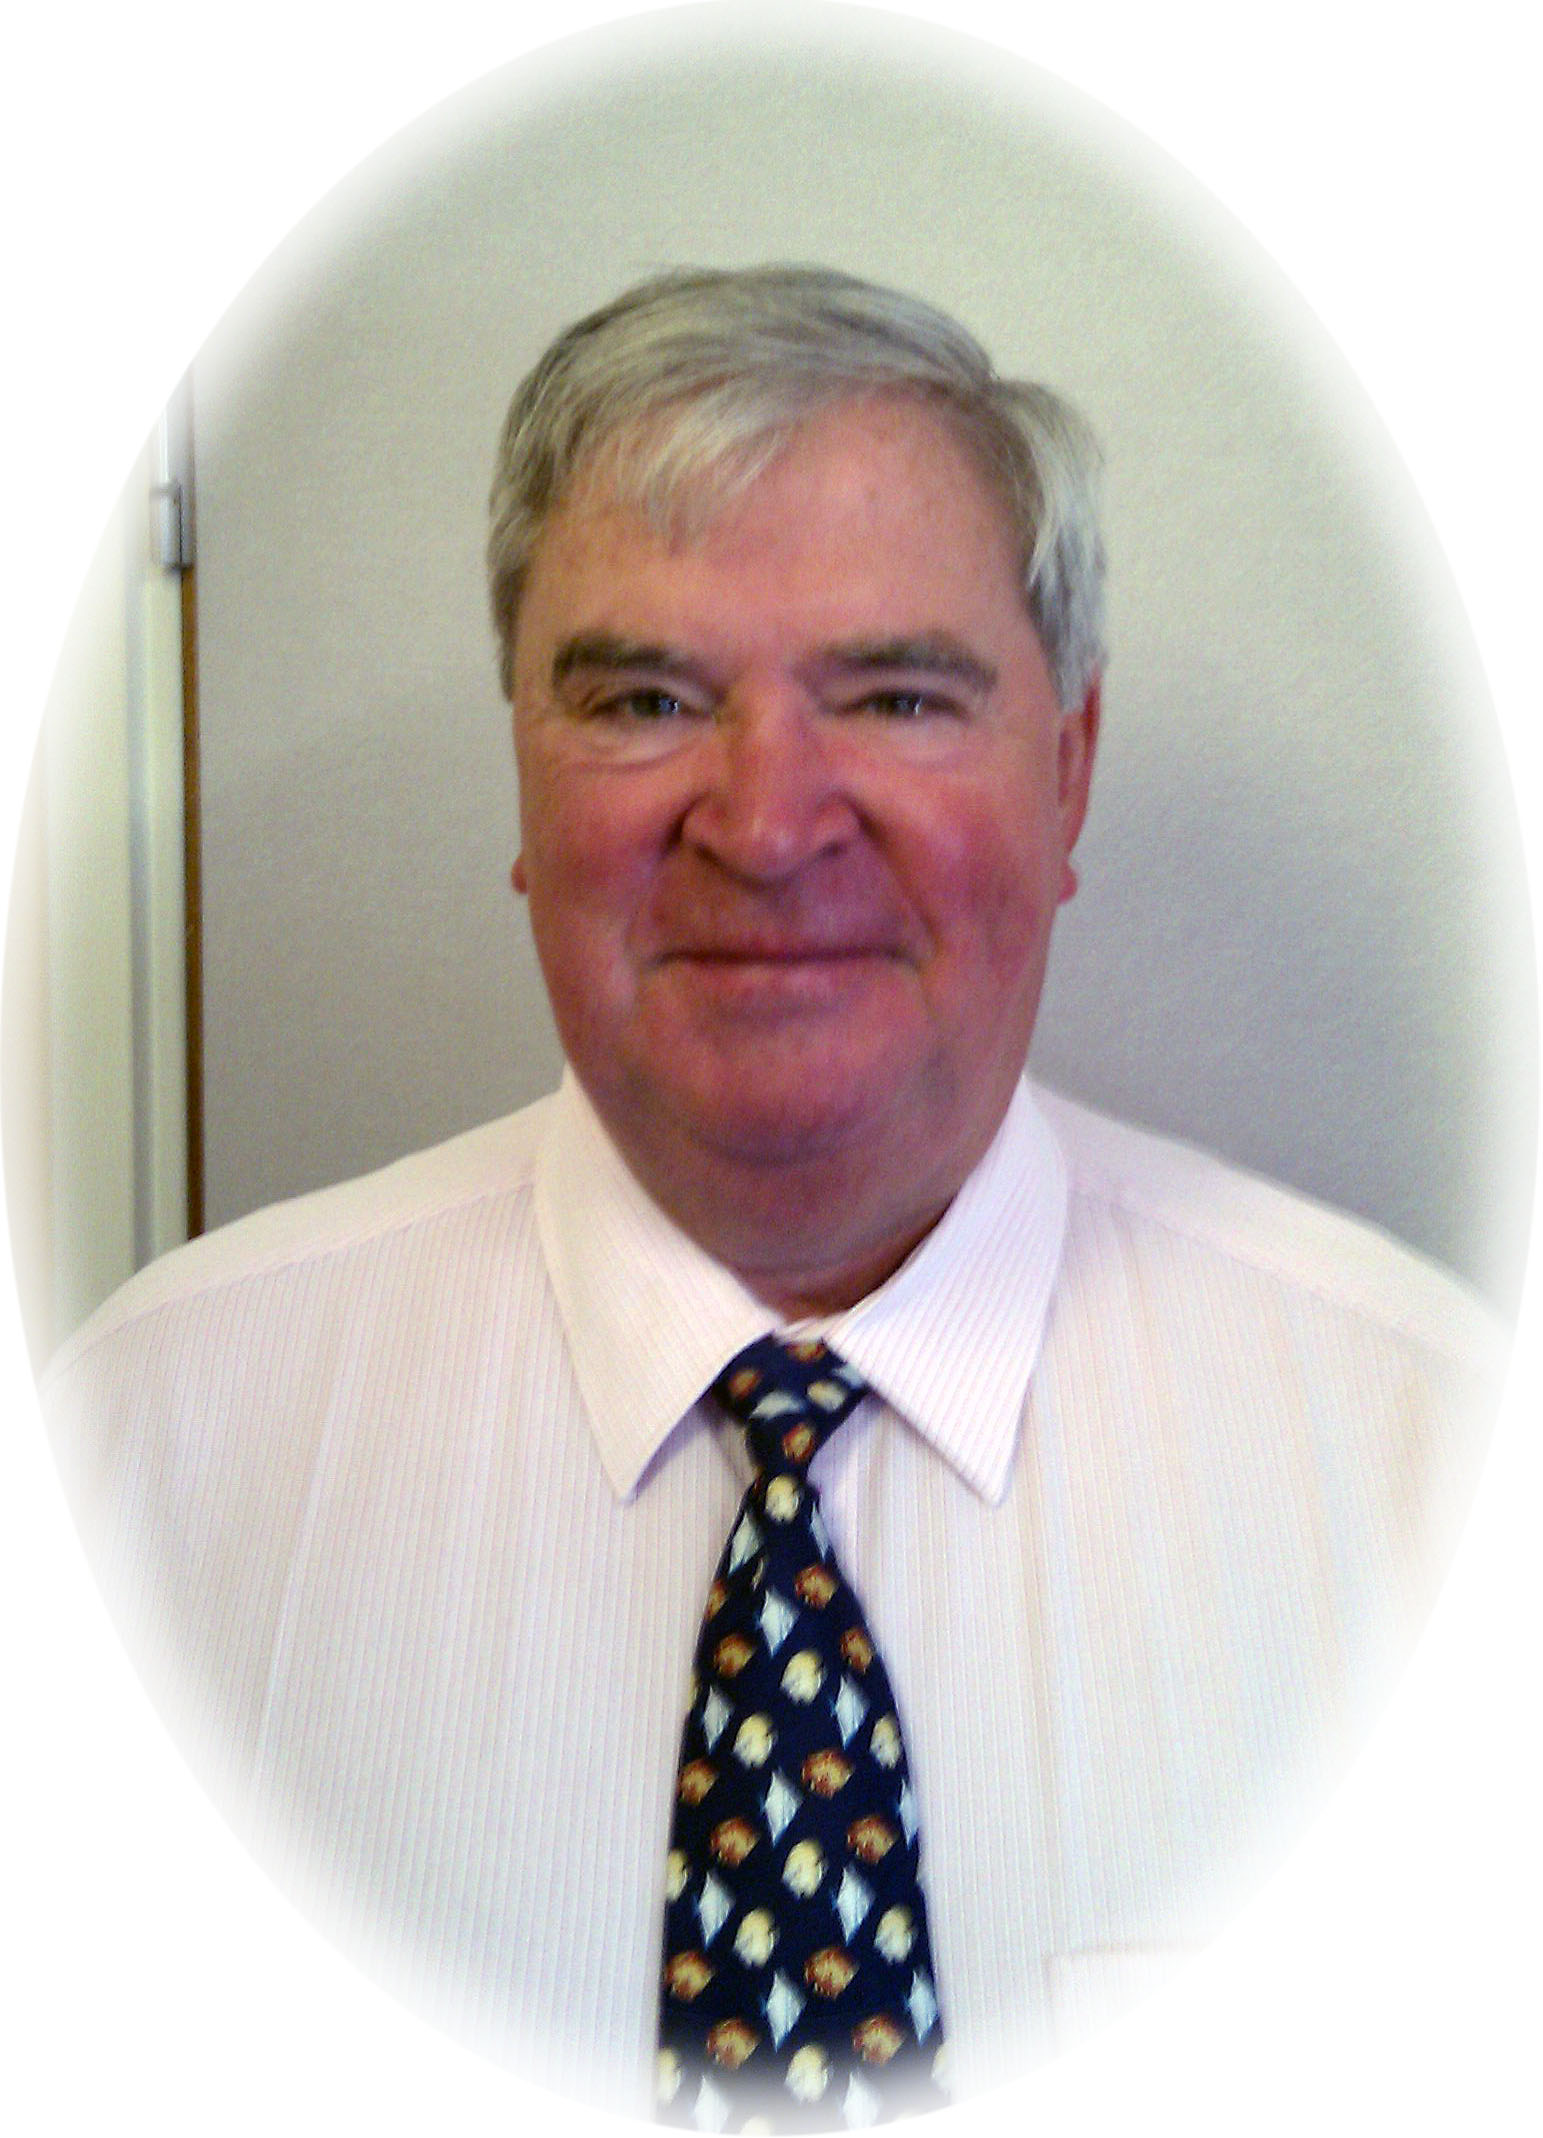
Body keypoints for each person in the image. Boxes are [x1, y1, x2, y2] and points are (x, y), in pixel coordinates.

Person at [43, 267, 1501, 2125]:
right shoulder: (136, 1460)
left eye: (895, 695)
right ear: (521, 777)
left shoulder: (1432, 1469)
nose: (766, 821)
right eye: (645, 697)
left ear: (1066, 773)